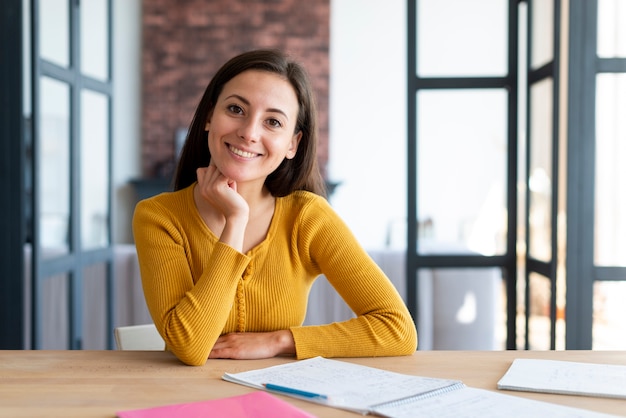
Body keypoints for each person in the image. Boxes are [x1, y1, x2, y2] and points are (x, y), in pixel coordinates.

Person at [132, 49, 417, 366]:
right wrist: (235, 221)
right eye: (236, 109)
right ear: (210, 116)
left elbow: (398, 329)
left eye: (273, 121)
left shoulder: (307, 217)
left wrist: (279, 341)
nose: (250, 133)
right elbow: (190, 346)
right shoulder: (159, 217)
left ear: (292, 144)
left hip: (279, 398)